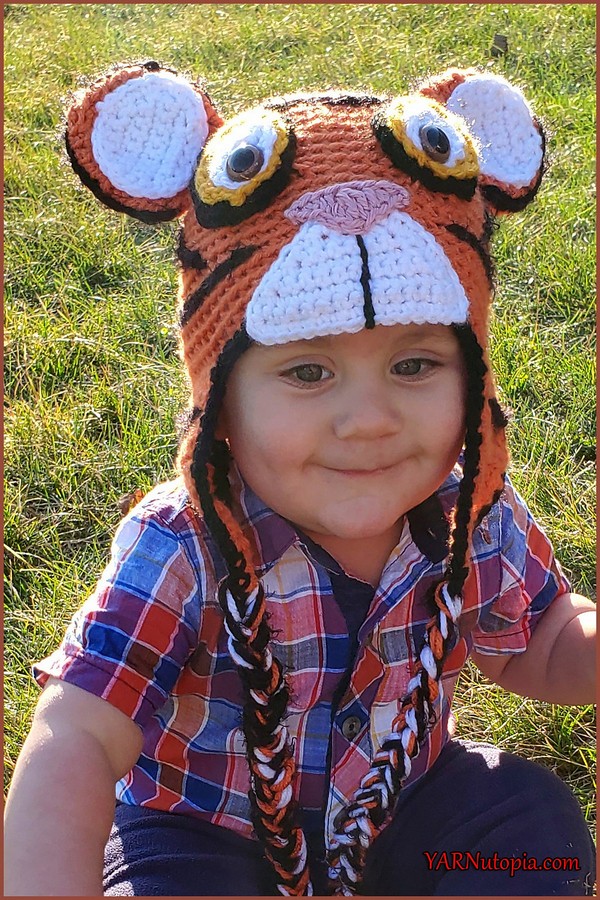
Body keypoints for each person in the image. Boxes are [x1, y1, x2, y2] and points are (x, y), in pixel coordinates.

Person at [4, 62, 595, 897]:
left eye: (417, 363)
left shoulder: (472, 514)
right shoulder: (184, 542)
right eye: (309, 373)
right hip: (203, 834)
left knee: (529, 829)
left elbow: (541, 646)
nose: (369, 420)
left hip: (406, 812)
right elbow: (80, 737)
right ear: (219, 402)